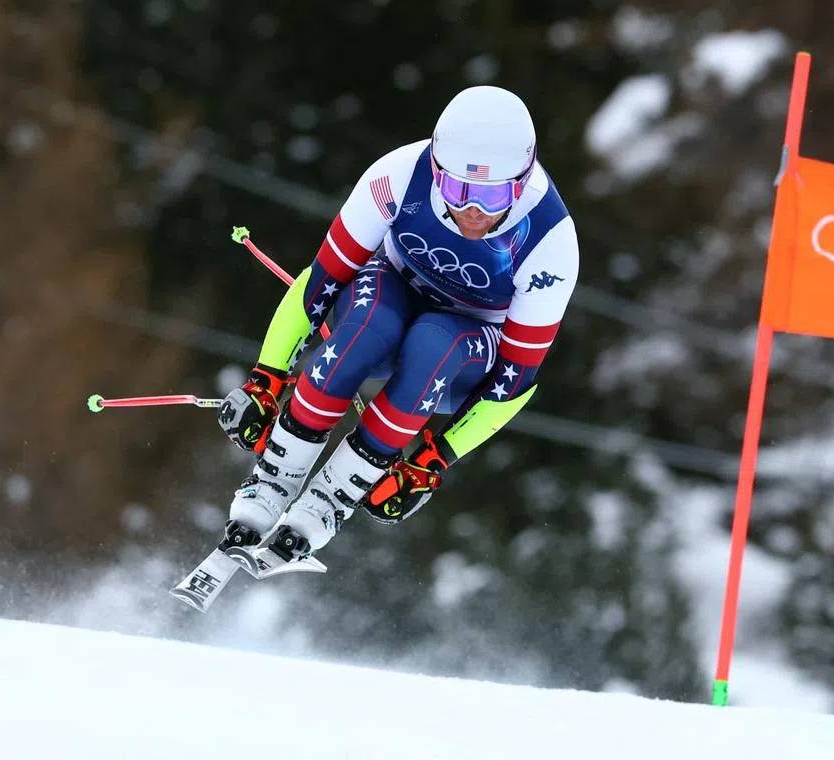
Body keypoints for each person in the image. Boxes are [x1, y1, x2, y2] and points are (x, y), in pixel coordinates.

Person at [214, 85, 579, 564]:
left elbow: (514, 380)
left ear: (521, 181)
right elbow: (320, 283)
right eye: (456, 189)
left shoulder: (550, 242)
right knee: (369, 326)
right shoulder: (398, 176)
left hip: (465, 343)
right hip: (391, 289)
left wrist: (435, 457)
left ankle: (329, 501)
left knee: (433, 345)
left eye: (492, 197)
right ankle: (271, 481)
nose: (473, 210)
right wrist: (267, 376)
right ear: (436, 169)